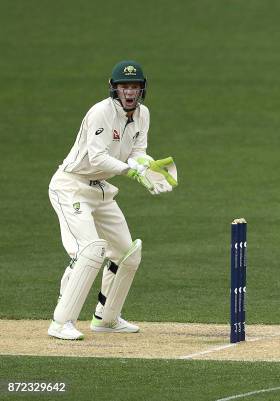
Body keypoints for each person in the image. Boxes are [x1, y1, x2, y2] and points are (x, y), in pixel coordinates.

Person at [47, 60, 178, 340]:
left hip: (101, 189)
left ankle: (106, 319)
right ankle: (61, 322)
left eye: (134, 86)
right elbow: (96, 158)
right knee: (91, 249)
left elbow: (138, 151)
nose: (129, 92)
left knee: (127, 253)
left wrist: (149, 167)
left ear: (142, 89)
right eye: (124, 86)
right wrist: (132, 171)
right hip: (71, 186)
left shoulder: (143, 114)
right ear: (114, 89)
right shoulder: (100, 113)